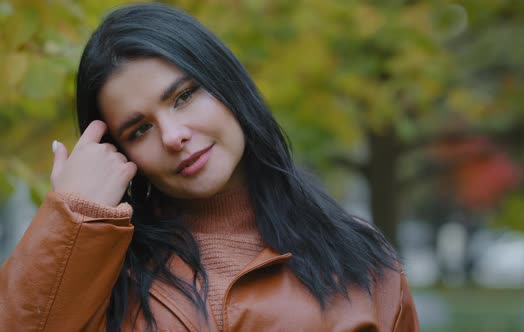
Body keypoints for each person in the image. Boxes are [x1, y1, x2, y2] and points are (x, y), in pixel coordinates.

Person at [0, 3, 419, 332]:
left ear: (227, 85)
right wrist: (73, 216)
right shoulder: (103, 270)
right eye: (139, 128)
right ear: (121, 154)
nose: (172, 135)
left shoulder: (362, 261)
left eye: (183, 96)